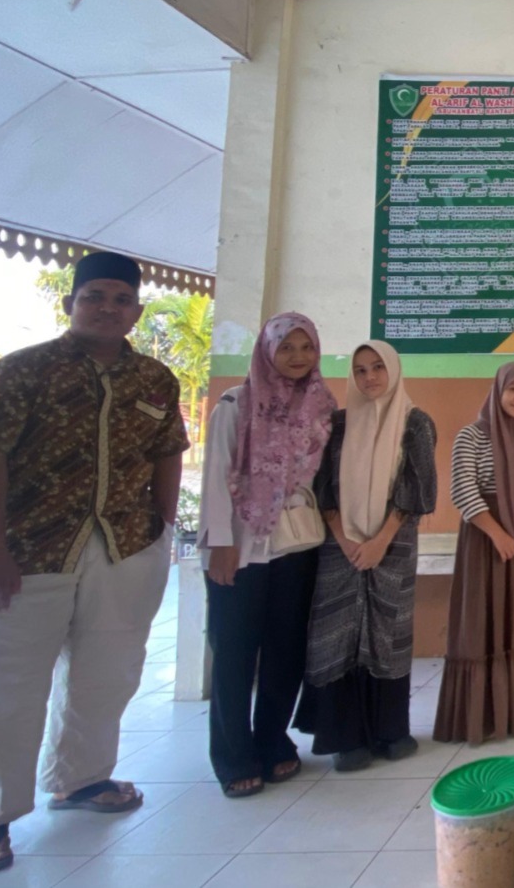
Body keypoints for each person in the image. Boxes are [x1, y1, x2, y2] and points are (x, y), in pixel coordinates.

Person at [0, 252, 189, 873]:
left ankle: (82, 780)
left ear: (136, 311)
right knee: (3, 684)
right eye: (95, 297)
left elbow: (168, 451)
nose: (108, 309)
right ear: (70, 304)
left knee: (108, 672)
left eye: (121, 299)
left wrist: (162, 526)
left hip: (125, 546)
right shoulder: (20, 372)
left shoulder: (154, 379)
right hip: (27, 549)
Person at [198, 313, 335, 798]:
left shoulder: (320, 407)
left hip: (297, 545)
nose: (298, 357)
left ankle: (273, 741)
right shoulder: (236, 404)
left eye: (306, 347)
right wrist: (220, 543)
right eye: (287, 347)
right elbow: (216, 477)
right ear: (267, 350)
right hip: (240, 546)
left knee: (285, 649)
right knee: (235, 652)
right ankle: (234, 756)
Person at [297, 341, 436, 771]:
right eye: (360, 370)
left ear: (393, 370)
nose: (369, 377)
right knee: (338, 630)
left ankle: (390, 732)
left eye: (377, 367)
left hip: (393, 545)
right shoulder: (338, 425)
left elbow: (417, 491)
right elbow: (323, 488)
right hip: (339, 547)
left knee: (387, 633)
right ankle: (346, 739)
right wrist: (345, 539)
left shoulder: (415, 423)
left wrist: (380, 541)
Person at [435, 363, 514, 744]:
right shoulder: (472, 435)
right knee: (484, 621)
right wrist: (498, 535)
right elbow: (463, 490)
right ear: (498, 390)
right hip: (486, 546)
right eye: (513, 389)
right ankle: (485, 715)